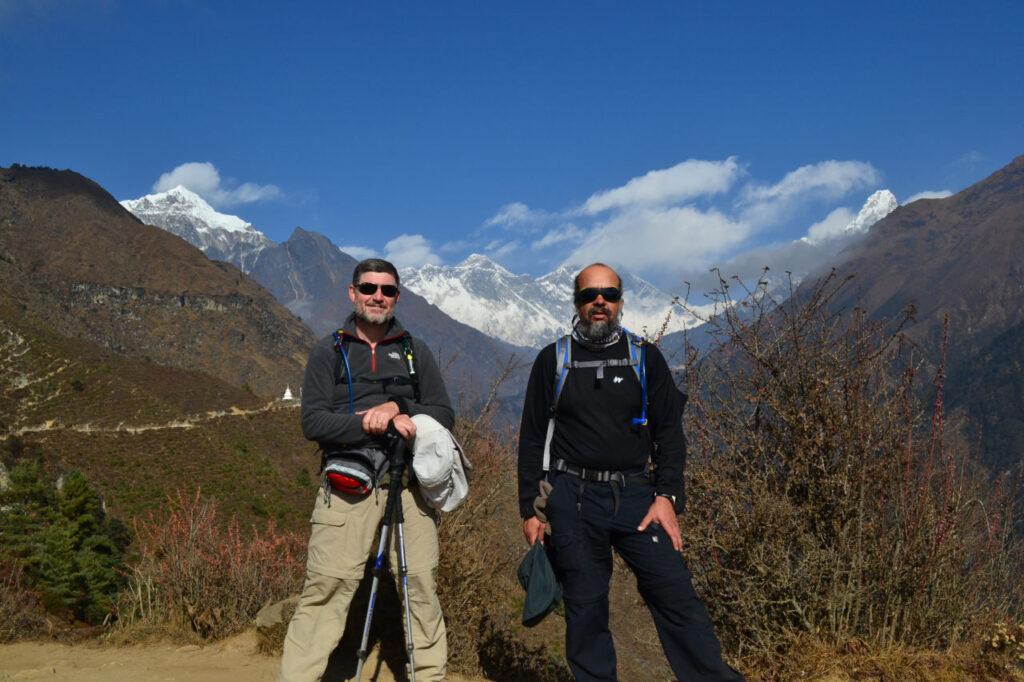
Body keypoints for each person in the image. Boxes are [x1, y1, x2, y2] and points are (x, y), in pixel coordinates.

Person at [517, 263, 744, 681]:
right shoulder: (553, 360)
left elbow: (670, 436)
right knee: (585, 609)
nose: (598, 302)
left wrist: (668, 496)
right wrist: (529, 511)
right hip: (573, 498)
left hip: (640, 497)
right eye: (589, 296)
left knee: (677, 599)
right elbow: (532, 437)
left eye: (608, 294)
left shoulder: (645, 358)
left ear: (621, 301)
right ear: (577, 303)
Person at [278, 258, 454, 682]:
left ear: (397, 297)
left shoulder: (414, 350)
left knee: (421, 588)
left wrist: (400, 408)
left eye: (388, 290)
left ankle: (429, 676)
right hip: (347, 486)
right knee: (327, 588)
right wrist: (365, 420)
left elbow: (445, 413)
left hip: (409, 486)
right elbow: (313, 422)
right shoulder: (329, 351)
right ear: (352, 293)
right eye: (369, 288)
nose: (378, 296)